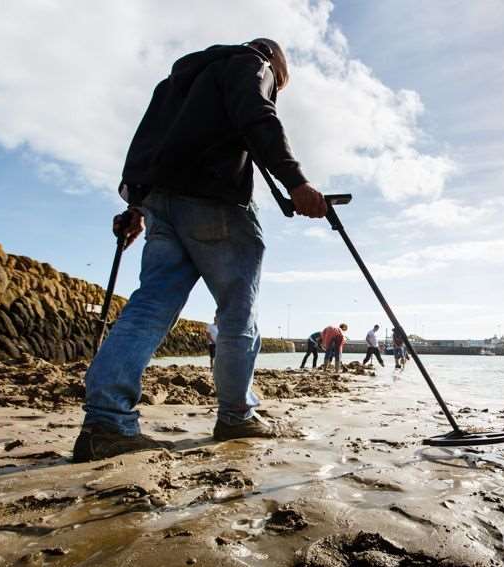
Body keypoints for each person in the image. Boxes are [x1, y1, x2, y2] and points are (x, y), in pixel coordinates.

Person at [72, 38, 327, 463]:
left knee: (151, 304)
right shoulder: (253, 62)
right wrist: (296, 182)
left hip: (160, 202)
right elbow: (258, 117)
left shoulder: (174, 83)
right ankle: (236, 415)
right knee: (237, 312)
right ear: (276, 62)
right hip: (215, 201)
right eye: (280, 83)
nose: (276, 88)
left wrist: (134, 206)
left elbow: (145, 143)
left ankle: (106, 423)